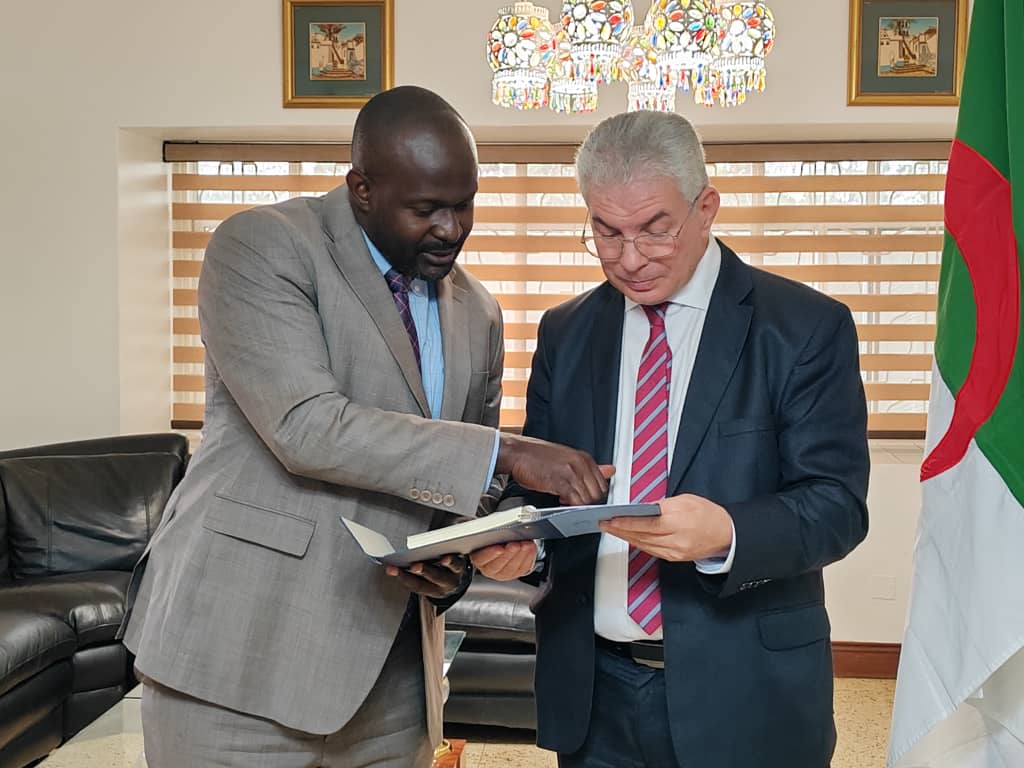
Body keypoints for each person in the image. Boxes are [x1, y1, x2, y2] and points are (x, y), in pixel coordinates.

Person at [120, 85, 611, 768]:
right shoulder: (262, 247)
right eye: (426, 209)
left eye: (464, 204)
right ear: (362, 190)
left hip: (394, 682)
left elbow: (465, 486)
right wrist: (509, 452)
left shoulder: (481, 312)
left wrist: (457, 561)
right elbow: (306, 426)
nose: (451, 229)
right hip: (236, 664)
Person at [474, 111, 869, 767]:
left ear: (705, 208)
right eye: (606, 232)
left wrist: (726, 533)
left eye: (655, 229)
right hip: (595, 696)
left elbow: (837, 507)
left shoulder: (804, 327)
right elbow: (540, 487)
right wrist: (522, 545)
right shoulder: (566, 333)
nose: (629, 259)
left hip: (747, 692)